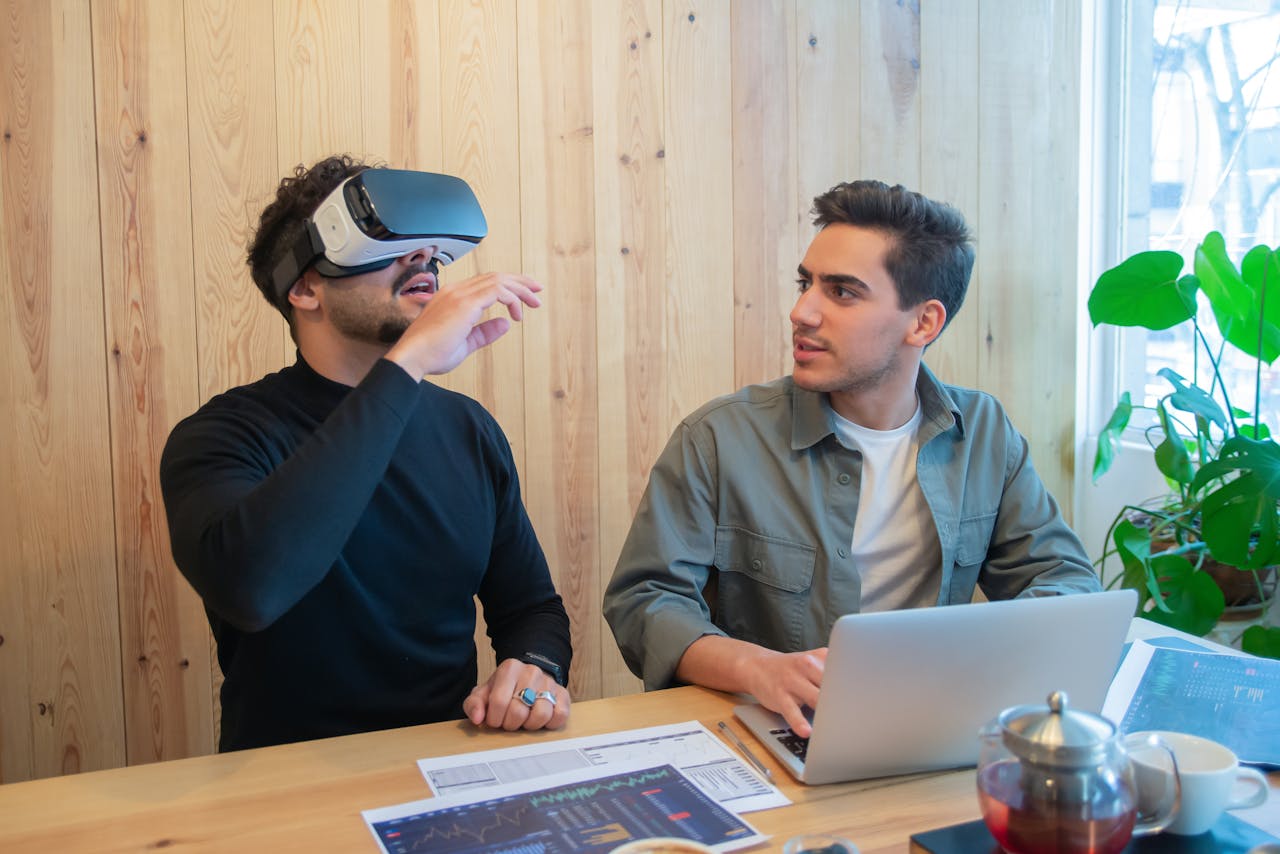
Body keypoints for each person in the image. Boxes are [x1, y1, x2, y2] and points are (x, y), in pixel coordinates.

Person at [603, 179, 1100, 738]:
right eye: (806, 284)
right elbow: (643, 601)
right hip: (771, 733)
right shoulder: (717, 437)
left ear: (924, 323)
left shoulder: (984, 433)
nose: (802, 311)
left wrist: (969, 656)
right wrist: (757, 668)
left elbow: (1064, 580)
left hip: (930, 727)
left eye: (841, 292)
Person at [160, 155, 572, 751]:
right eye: (385, 238)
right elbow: (250, 587)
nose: (423, 258)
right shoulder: (222, 435)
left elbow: (532, 608)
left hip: (447, 766)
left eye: (429, 247)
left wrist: (535, 670)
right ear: (304, 286)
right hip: (287, 785)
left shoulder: (467, 430)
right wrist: (408, 364)